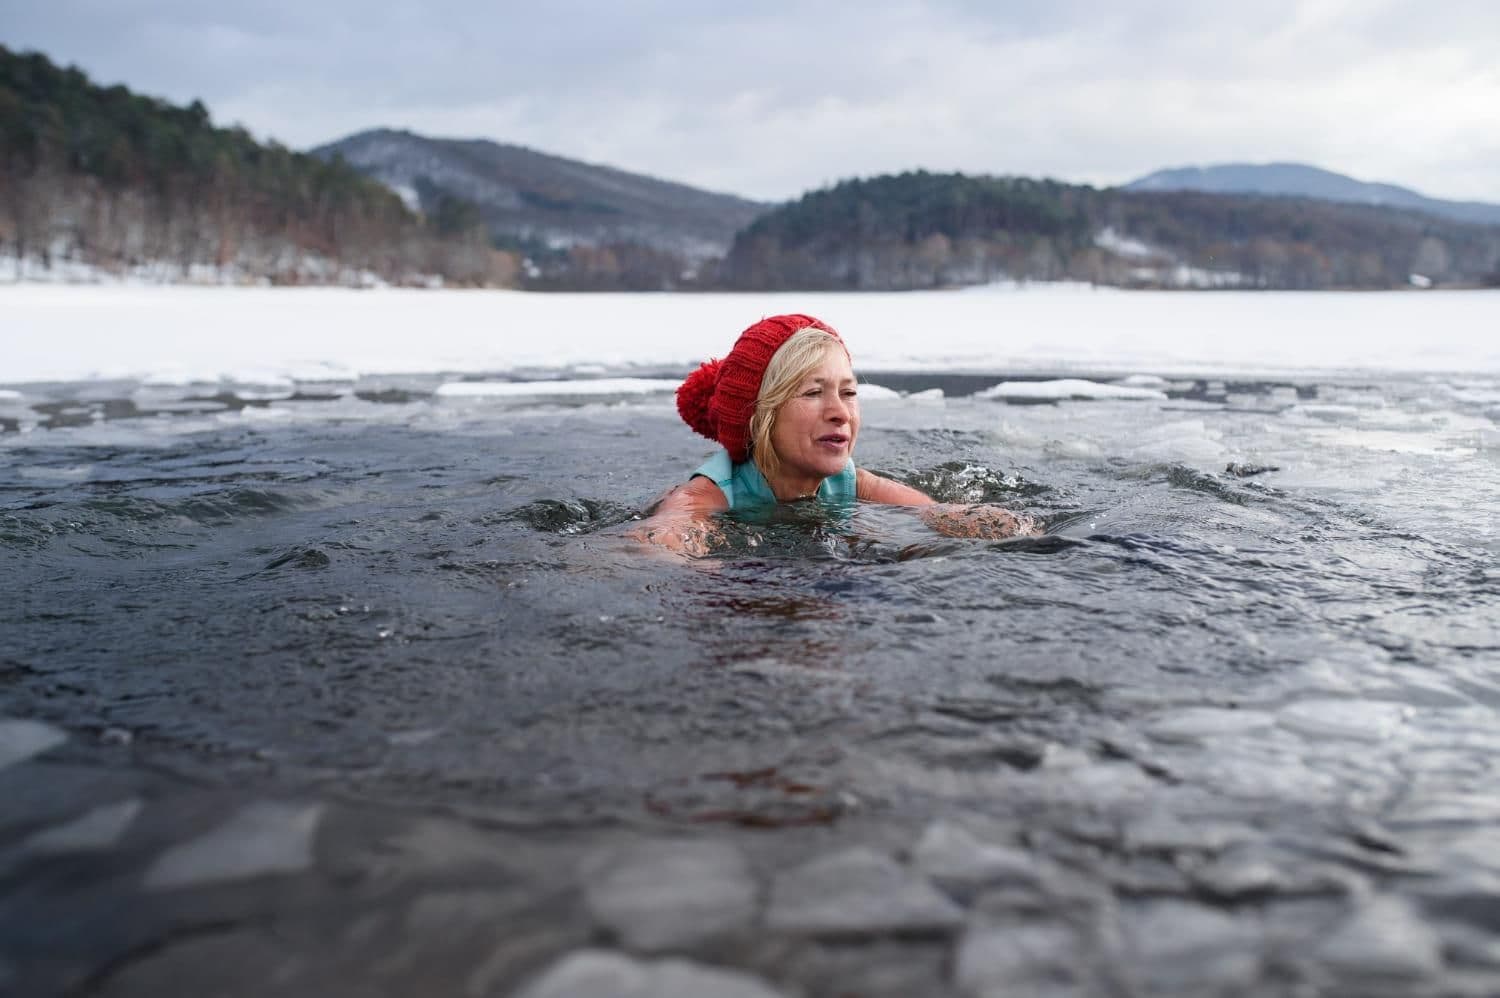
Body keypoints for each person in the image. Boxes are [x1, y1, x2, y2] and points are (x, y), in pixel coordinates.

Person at [635, 313, 1040, 555]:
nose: (840, 412)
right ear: (759, 414)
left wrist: (990, 524)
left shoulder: (850, 481)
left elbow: (932, 512)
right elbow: (667, 534)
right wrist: (672, 544)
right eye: (813, 393)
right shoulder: (711, 492)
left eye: (848, 392)